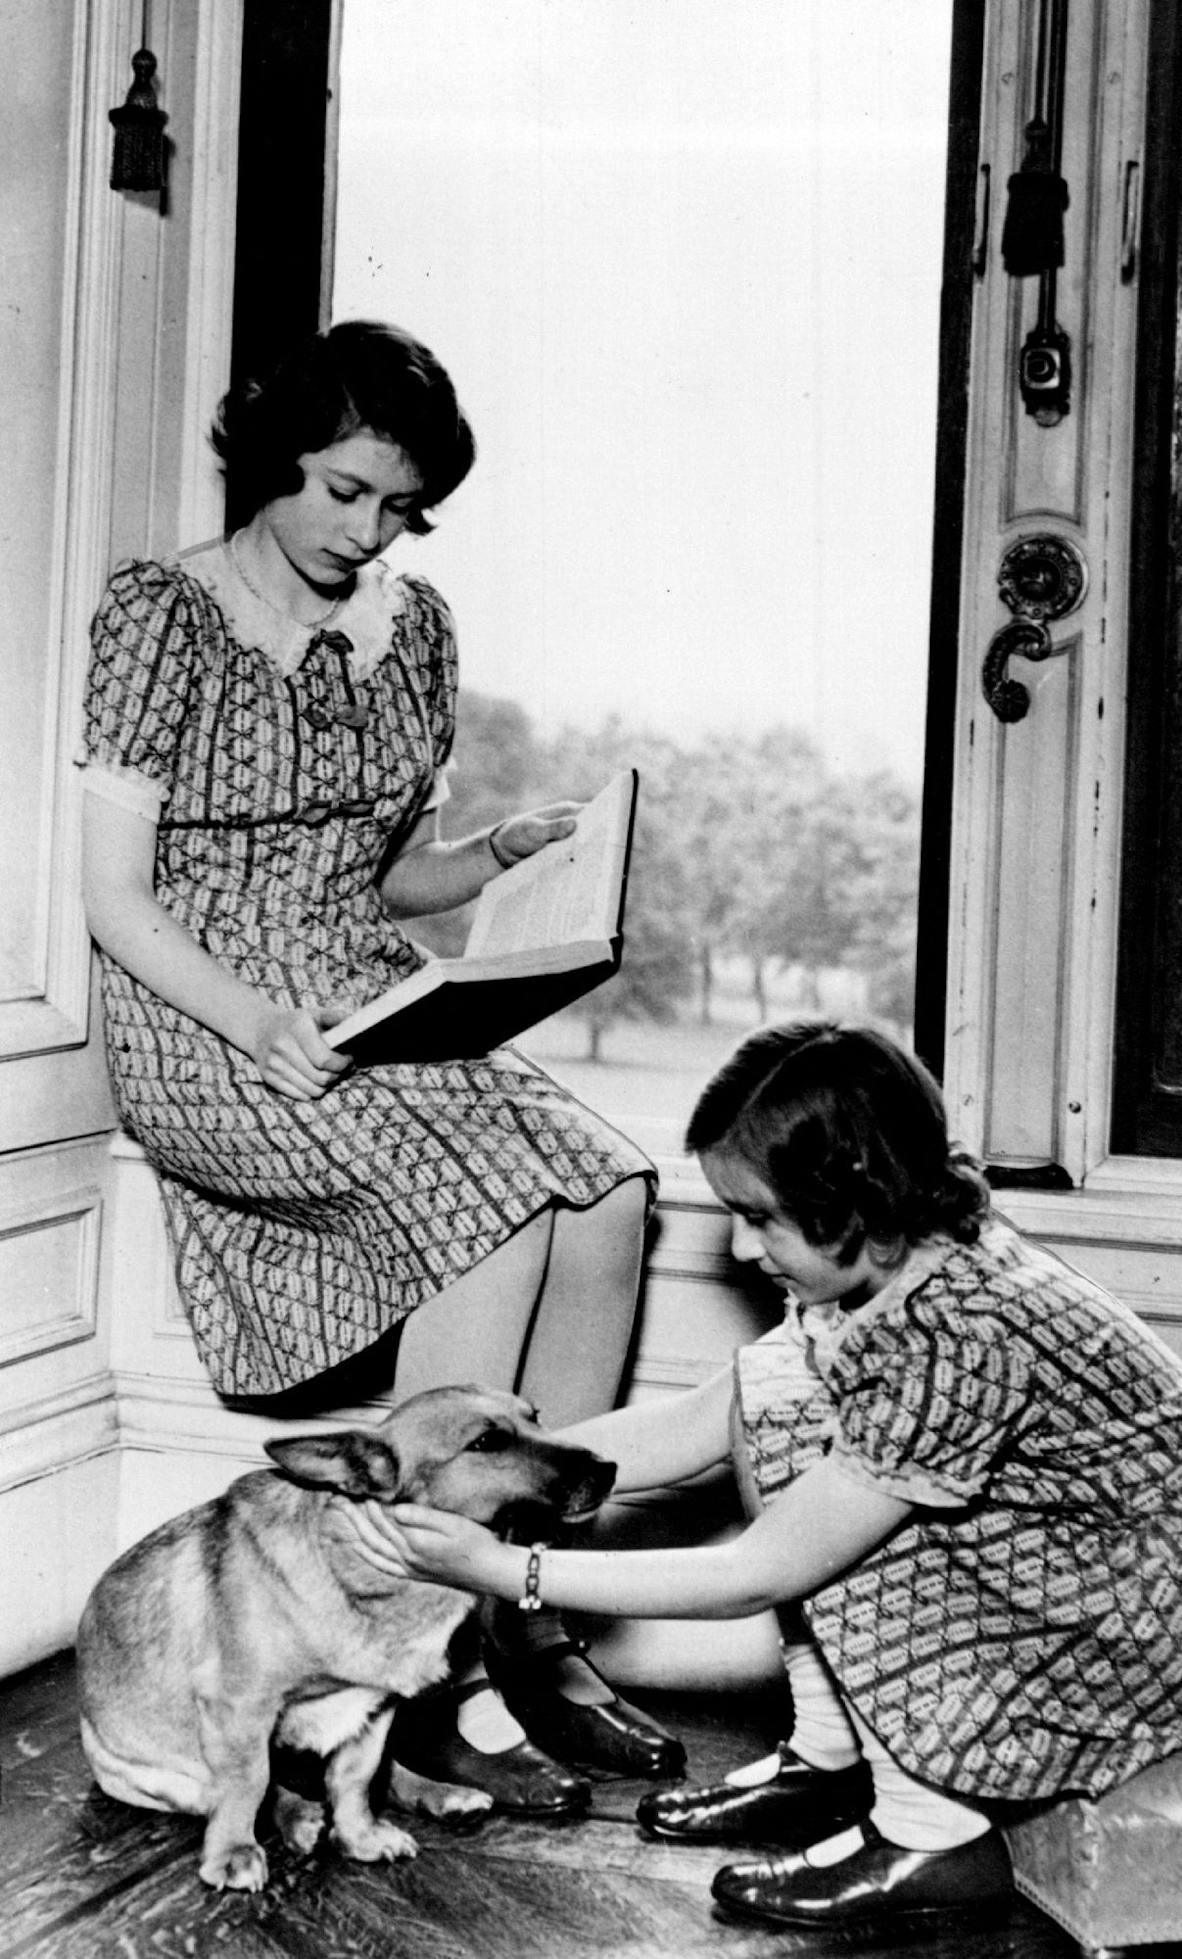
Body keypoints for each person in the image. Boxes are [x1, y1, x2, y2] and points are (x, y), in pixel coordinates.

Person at [78, 318, 682, 1814]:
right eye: (349, 490)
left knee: (604, 1188)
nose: (375, 530)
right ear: (274, 456)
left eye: (403, 505)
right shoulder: (163, 614)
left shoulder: (415, 627)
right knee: (478, 1196)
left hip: (364, 991)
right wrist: (252, 1016)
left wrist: (494, 856)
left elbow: (385, 875)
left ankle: (516, 1613)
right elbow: (114, 897)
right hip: (205, 1015)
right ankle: (430, 1669)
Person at [345, 1019, 1182, 1930]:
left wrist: (509, 1572)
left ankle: (935, 1840)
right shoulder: (897, 1263)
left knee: (840, 1524)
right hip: (1096, 1563)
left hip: (1162, 1620)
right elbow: (696, 1425)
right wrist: (471, 1470)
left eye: (760, 1217)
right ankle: (833, 1759)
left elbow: (758, 1571)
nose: (740, 1249)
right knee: (776, 1395)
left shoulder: (957, 1336)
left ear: (859, 1201)